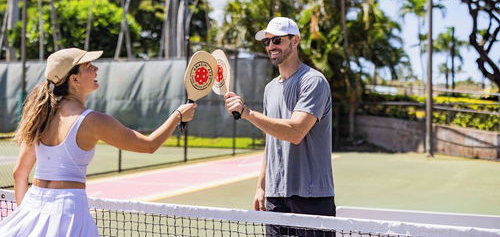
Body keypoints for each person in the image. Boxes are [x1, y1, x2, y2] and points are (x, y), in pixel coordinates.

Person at [0, 48, 197, 236]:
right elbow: (149, 145)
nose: (96, 69)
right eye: (89, 66)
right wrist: (178, 116)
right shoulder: (93, 121)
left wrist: (25, 216)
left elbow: (19, 174)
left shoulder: (39, 116)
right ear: (74, 79)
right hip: (69, 212)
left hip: (32, 205)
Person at [224, 17, 335, 235]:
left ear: (295, 41)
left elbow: (295, 132)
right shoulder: (270, 88)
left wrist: (247, 113)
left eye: (276, 40)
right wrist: (262, 186)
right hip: (276, 197)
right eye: (267, 42)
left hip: (311, 197)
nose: (271, 47)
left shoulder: (313, 81)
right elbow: (271, 140)